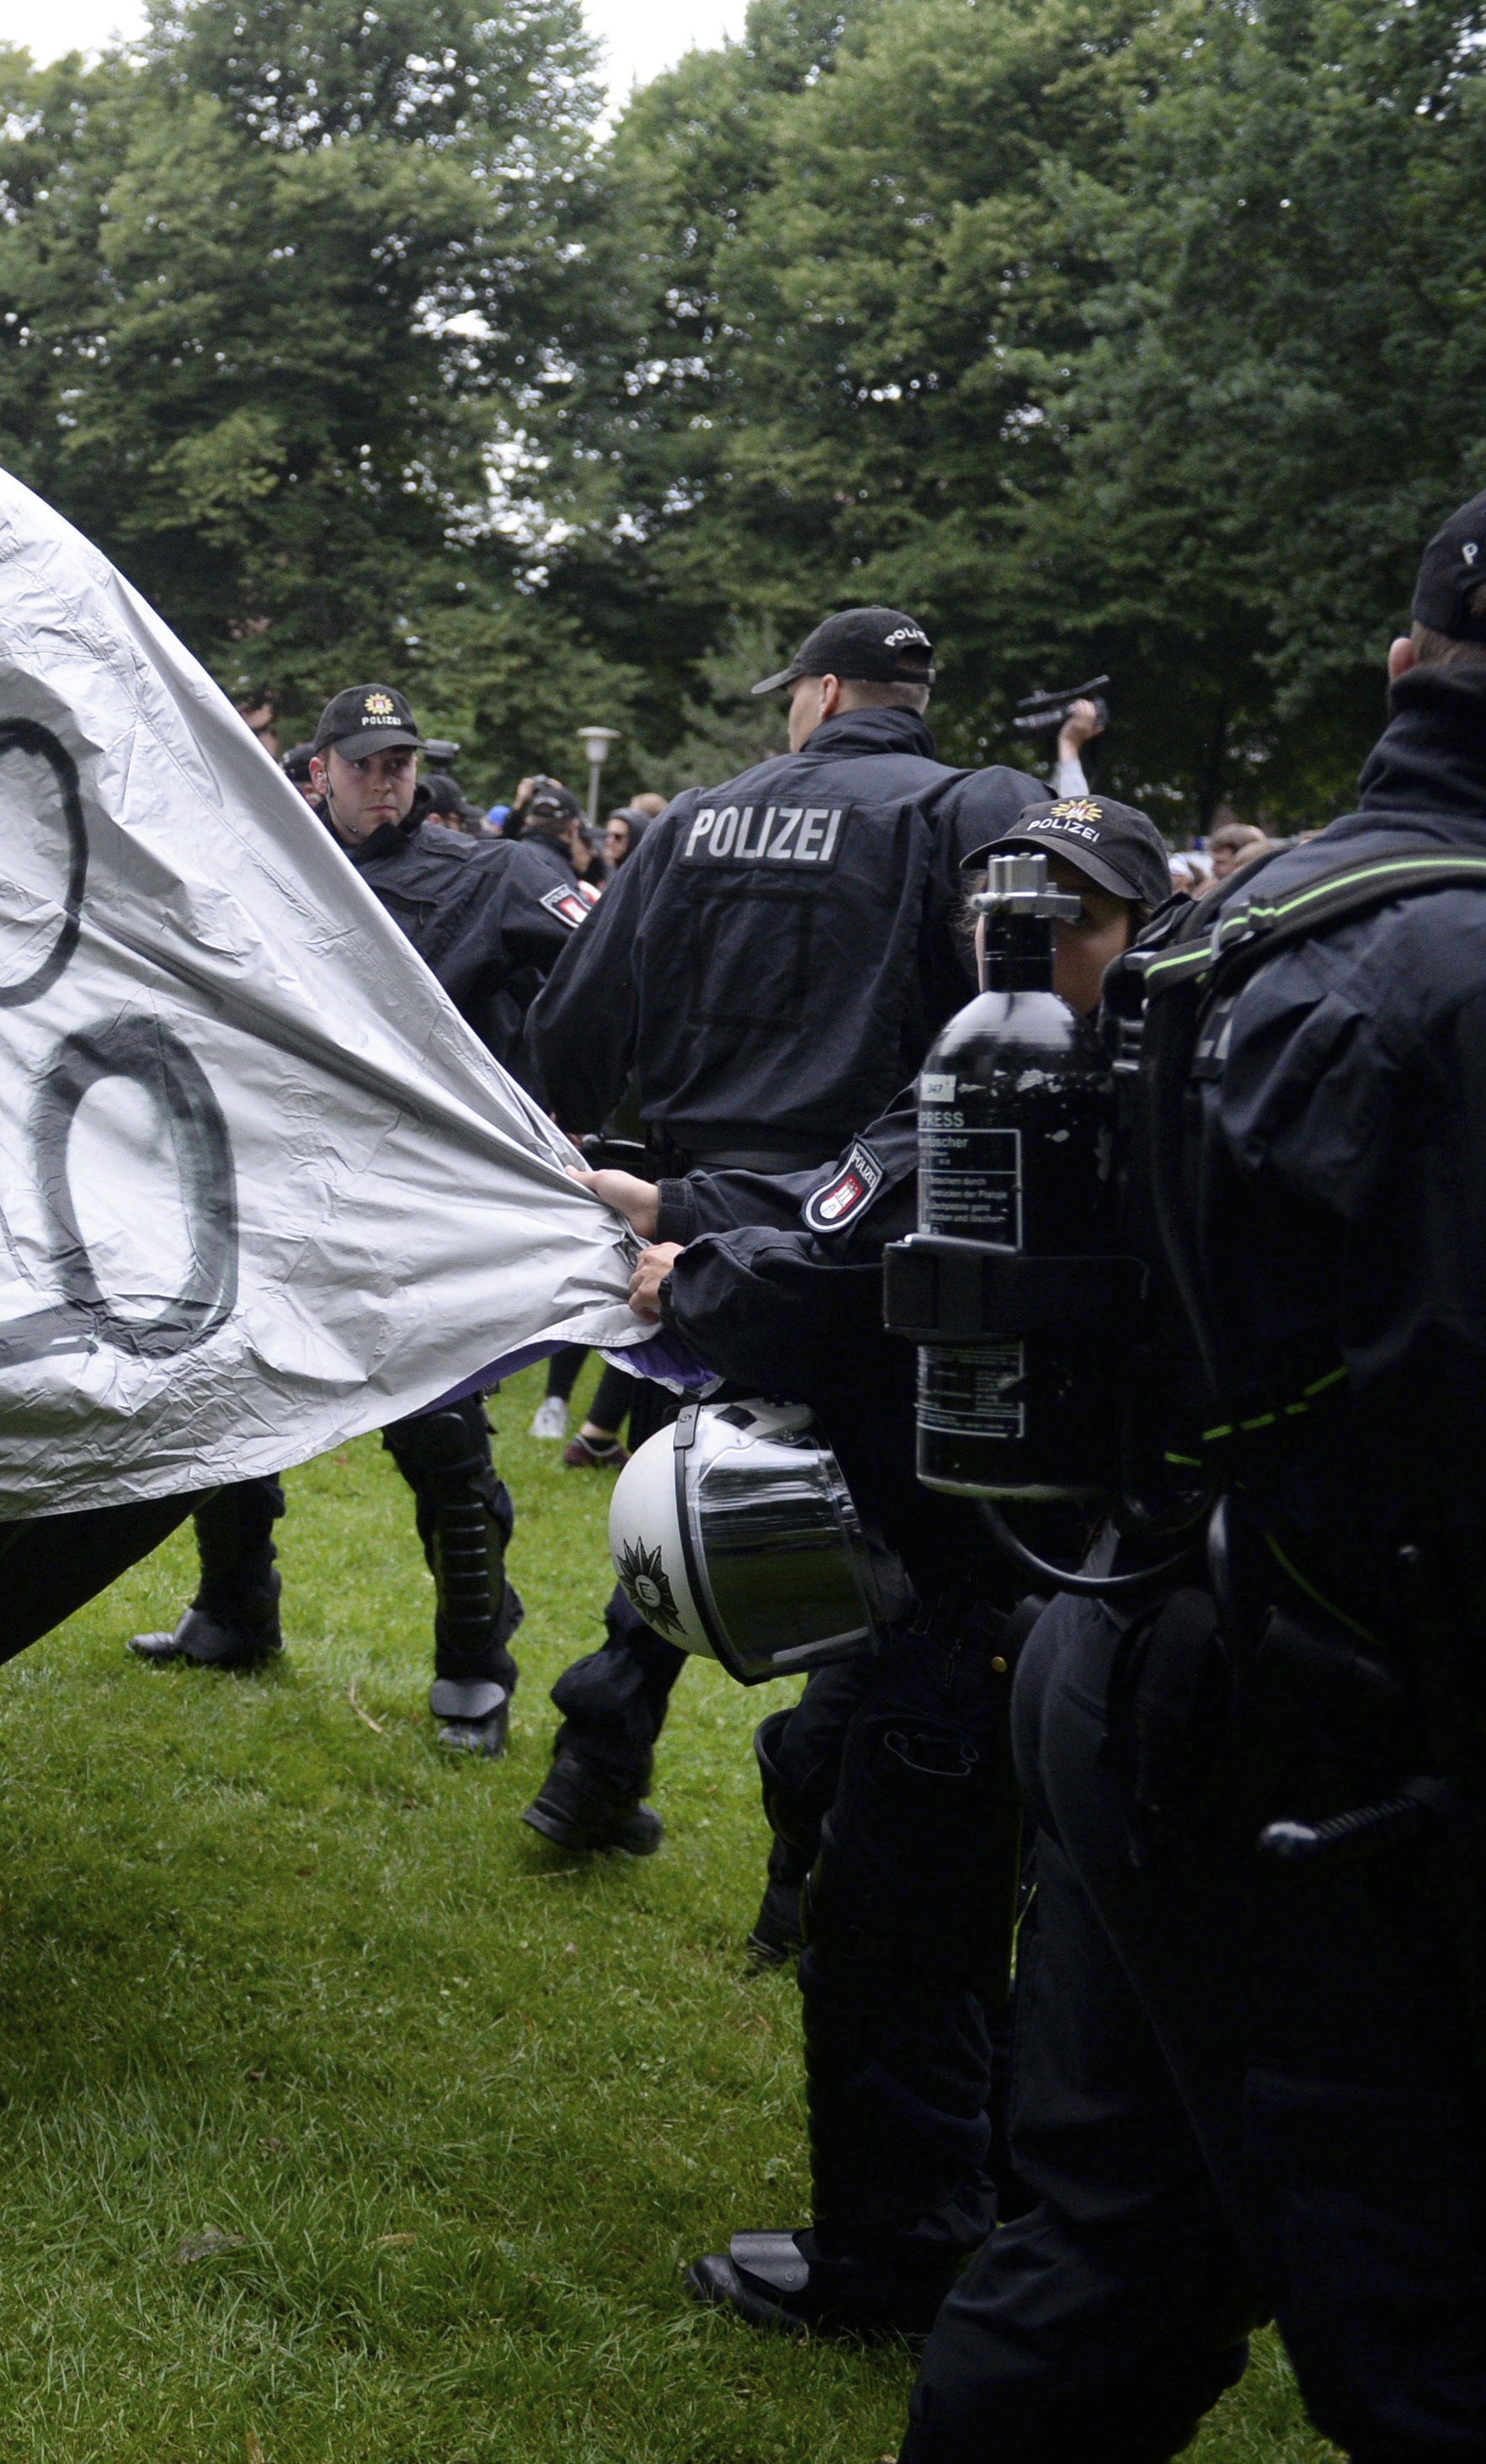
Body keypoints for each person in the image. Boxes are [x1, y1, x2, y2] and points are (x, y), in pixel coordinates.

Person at [900, 462, 1486, 2459]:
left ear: (1404, 666)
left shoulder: (1245, 909)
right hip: (1359, 1775)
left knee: (1105, 2261)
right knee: (1473, 2360)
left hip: (1136, 1661)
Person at [603, 796, 1172, 2344]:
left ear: (1138, 932)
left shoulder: (1032, 1110)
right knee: (846, 1809)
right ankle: (975, 2193)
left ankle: (900, 2253)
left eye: (1077, 914)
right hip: (1021, 1576)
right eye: (1008, 904)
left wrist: (695, 1273)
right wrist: (683, 1210)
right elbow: (837, 1212)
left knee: (900, 1920)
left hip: (988, 1579)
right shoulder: (1028, 1080)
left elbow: (828, 1288)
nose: (1030, 934)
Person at [517, 604, 1040, 1855]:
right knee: (881, 1539)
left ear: (813, 696)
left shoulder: (696, 814)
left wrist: (577, 1143)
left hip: (698, 1238)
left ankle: (598, 1757)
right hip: (875, 1223)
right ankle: (802, 1856)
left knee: (719, 1482)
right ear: (910, 698)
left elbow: (575, 1025)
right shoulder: (962, 808)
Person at [130, 685, 586, 1754]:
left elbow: (607, 969)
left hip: (410, 1207)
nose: (387, 781)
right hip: (270, 1185)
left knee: (440, 1435)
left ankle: (472, 1666)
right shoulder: (265, 871)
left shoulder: (492, 872)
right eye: (366, 763)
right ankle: (231, 1609)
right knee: (228, 1396)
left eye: (401, 763)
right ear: (318, 772)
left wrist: (542, 1107)